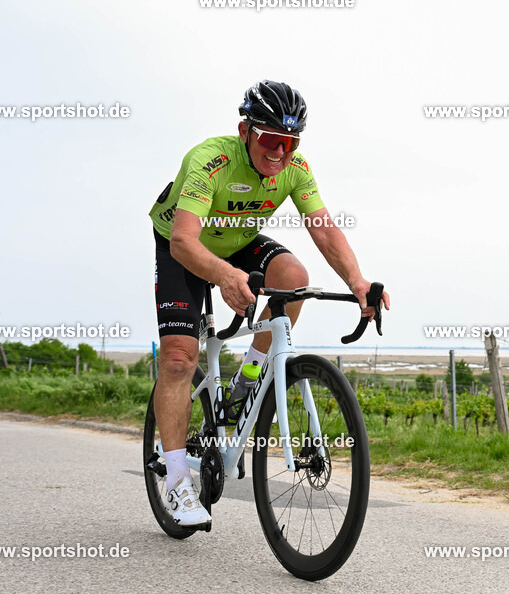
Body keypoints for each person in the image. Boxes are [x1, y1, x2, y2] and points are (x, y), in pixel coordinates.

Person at [148, 80, 389, 527]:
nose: (280, 152)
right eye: (270, 140)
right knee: (180, 359)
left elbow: (324, 229)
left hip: (237, 238)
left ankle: (250, 375)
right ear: (245, 132)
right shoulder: (211, 160)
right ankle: (179, 481)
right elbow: (184, 240)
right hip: (184, 242)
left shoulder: (295, 167)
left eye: (290, 142)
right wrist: (223, 275)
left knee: (293, 277)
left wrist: (357, 280)